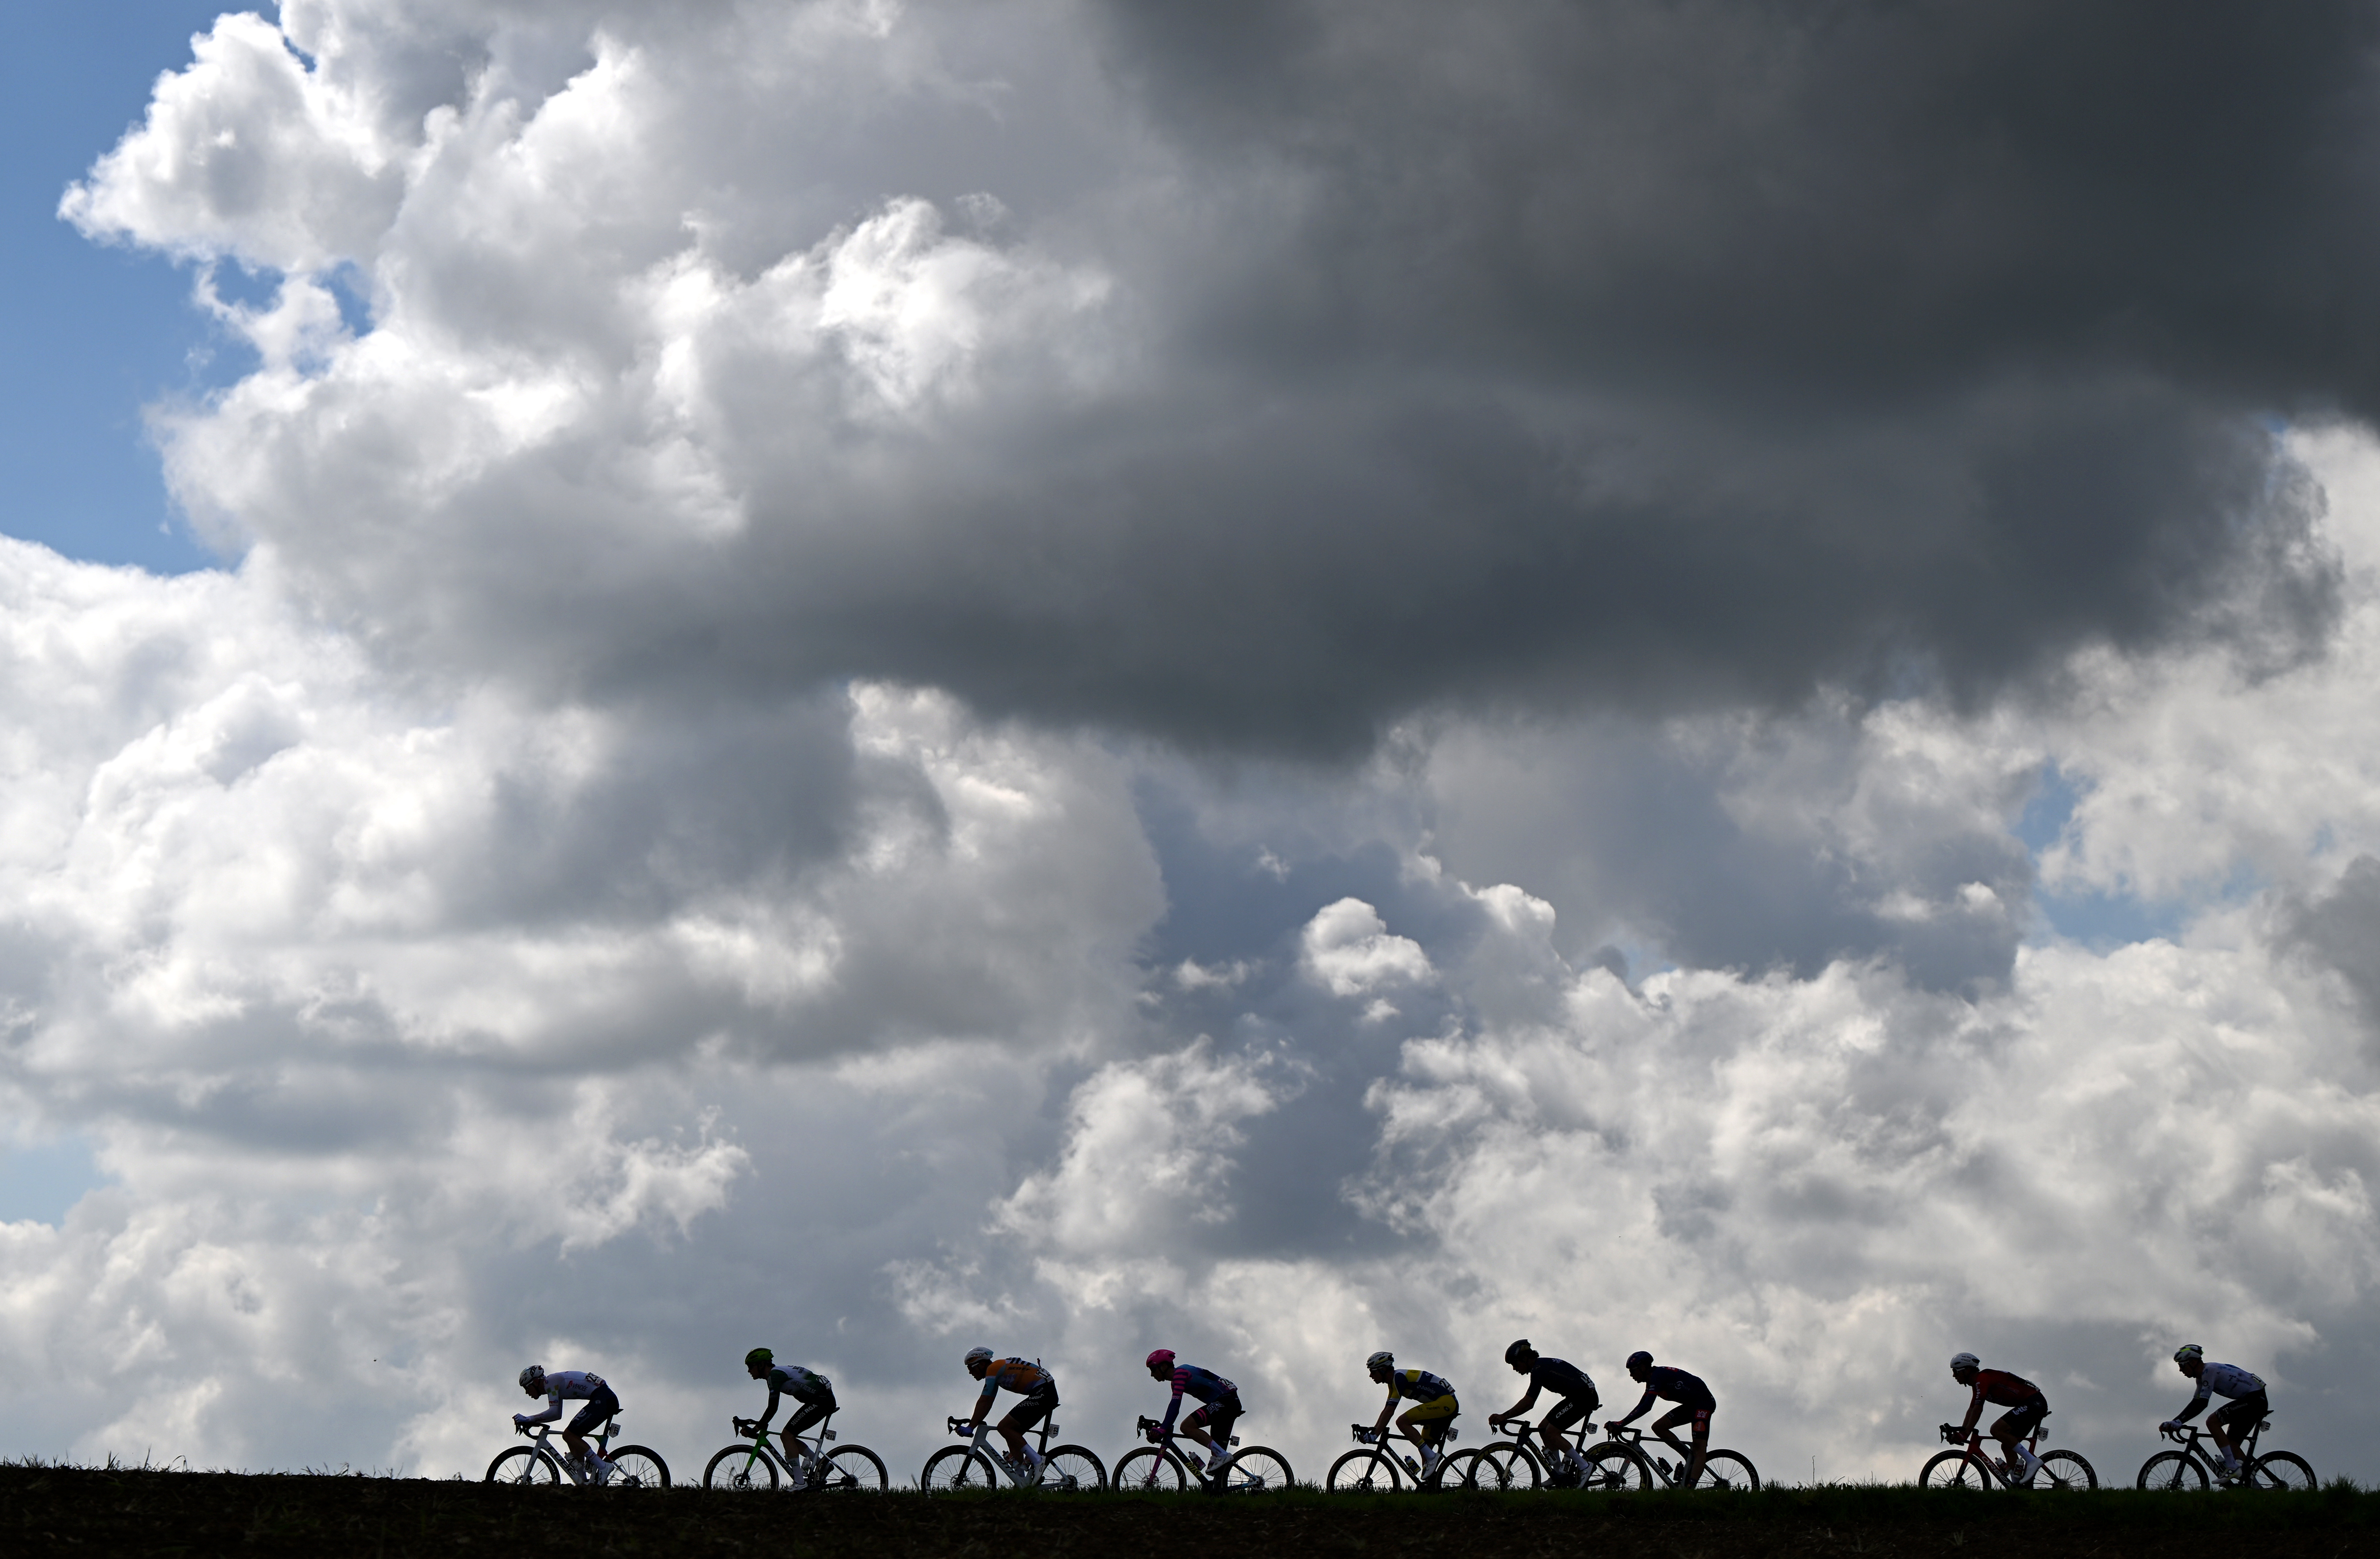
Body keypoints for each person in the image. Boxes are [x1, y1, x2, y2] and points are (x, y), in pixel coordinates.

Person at [1490, 1339, 1599, 1485]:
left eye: (1515, 1364)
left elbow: (1529, 1403)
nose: (1514, 1368)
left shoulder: (1539, 1369)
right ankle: (1558, 1473)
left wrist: (1504, 1416)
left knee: (1551, 1432)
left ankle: (1584, 1466)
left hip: (1583, 1397)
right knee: (1543, 1428)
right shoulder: (1540, 1366)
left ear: (1525, 1358)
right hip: (1578, 1395)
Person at [2161, 1345, 2267, 1481]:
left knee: (2212, 1422)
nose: (2180, 1370)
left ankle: (2232, 1467)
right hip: (2254, 1400)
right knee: (2231, 1443)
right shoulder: (2201, 1378)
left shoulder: (2209, 1371)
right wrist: (2176, 1421)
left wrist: (2179, 1421)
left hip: (2255, 1399)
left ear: (2193, 1362)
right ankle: (2251, 1484)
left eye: (2182, 1365)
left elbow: (2202, 1403)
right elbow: (2195, 1402)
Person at [1608, 1350, 1714, 1487]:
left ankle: (1689, 1488)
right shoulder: (1652, 1379)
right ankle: (1688, 1457)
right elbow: (1642, 1404)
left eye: (1633, 1371)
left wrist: (1621, 1423)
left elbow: (1647, 1407)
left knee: (1699, 1447)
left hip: (1704, 1404)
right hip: (1691, 1405)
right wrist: (1621, 1423)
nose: (1631, 1375)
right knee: (1658, 1427)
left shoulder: (1657, 1376)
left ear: (1643, 1368)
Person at [961, 1347, 1059, 1482]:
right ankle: (1021, 1481)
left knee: (1004, 1427)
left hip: (1043, 1391)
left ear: (982, 1364)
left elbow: (985, 1400)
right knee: (1012, 1434)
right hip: (1045, 1391)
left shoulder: (993, 1369)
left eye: (971, 1368)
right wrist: (973, 1423)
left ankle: (1037, 1461)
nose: (970, 1372)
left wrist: (971, 1427)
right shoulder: (996, 1372)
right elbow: (987, 1403)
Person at [1946, 1352, 2047, 1483]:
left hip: (2034, 1402)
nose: (1954, 1375)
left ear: (1967, 1370)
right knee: (2007, 1445)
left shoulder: (1983, 1379)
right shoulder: (1977, 1384)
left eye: (1956, 1371)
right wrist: (1963, 1432)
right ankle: (2017, 1485)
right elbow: (1971, 1410)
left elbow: (1978, 1409)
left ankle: (2032, 1461)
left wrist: (1965, 1434)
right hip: (2031, 1403)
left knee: (1996, 1430)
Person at [1143, 1348, 1242, 1480]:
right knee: (1217, 1465)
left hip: (1227, 1401)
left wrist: (1163, 1429)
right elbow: (1173, 1409)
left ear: (1164, 1366)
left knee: (1187, 1427)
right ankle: (1220, 1487)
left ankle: (1223, 1455)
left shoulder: (1180, 1373)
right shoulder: (1175, 1382)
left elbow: (1175, 1405)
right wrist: (1163, 1428)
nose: (1152, 1375)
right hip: (1227, 1403)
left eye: (1153, 1370)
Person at [1364, 1350, 1460, 1479]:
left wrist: (1375, 1435)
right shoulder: (1393, 1382)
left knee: (1402, 1422)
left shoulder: (1399, 1378)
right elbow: (1386, 1410)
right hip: (1444, 1403)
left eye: (1373, 1372)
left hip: (1446, 1402)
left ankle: (1433, 1457)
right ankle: (1432, 1486)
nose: (1371, 1375)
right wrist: (1374, 1431)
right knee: (1425, 1451)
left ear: (1383, 1369)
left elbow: (1390, 1411)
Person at [514, 1365, 617, 1481]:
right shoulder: (553, 1384)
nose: (527, 1392)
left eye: (527, 1388)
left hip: (603, 1399)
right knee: (573, 1438)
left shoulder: (550, 1382)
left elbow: (553, 1412)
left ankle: (603, 1466)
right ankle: (582, 1480)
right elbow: (557, 1415)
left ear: (536, 1381)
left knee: (568, 1435)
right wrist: (532, 1420)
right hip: (604, 1398)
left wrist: (528, 1419)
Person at [743, 1348, 837, 1473]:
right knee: (789, 1437)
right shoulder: (776, 1373)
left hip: (821, 1400)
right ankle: (822, 1464)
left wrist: (755, 1429)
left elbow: (773, 1408)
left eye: (751, 1366)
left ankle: (799, 1481)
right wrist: (757, 1424)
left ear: (761, 1365)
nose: (749, 1371)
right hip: (822, 1398)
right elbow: (771, 1411)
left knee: (787, 1436)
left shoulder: (774, 1376)